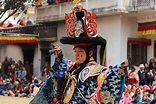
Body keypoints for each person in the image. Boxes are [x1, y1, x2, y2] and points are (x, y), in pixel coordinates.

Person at [30, 0, 129, 104]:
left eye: (80, 51)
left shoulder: (96, 70)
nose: (76, 54)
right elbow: (59, 73)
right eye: (75, 51)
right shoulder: (72, 67)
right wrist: (59, 57)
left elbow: (108, 80)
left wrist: (119, 70)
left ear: (90, 53)